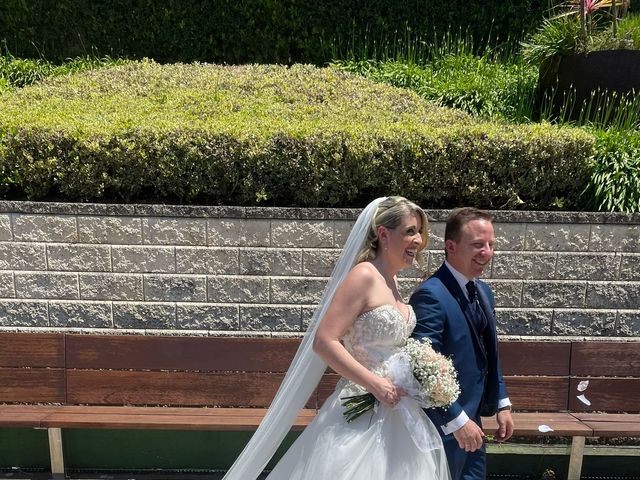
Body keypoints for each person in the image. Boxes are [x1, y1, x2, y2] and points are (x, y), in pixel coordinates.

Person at [223, 196, 451, 480]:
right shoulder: (364, 275)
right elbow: (325, 340)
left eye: (419, 232)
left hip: (397, 408)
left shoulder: (392, 282)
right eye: (409, 231)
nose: (418, 240)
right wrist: (374, 383)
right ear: (383, 234)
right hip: (362, 405)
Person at [409, 207, 515, 480]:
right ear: (451, 247)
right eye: (478, 245)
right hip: (442, 426)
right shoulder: (430, 295)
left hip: (474, 420)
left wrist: (502, 403)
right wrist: (456, 420)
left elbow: (489, 354)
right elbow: (421, 365)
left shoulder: (483, 291)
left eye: (491, 245)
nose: (487, 253)